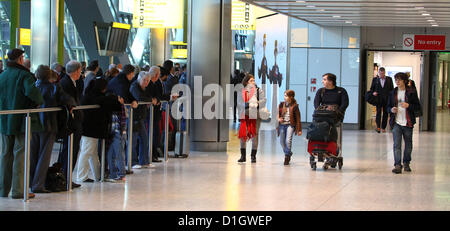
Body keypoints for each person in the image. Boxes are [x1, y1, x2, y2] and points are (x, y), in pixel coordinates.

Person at [0, 48, 44, 199]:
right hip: (21, 122)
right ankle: (18, 190)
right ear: (20, 59)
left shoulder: (3, 75)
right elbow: (34, 94)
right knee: (20, 154)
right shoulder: (24, 75)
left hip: (5, 121)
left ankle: (2, 189)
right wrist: (38, 102)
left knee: (5, 154)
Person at [30, 66, 74, 193]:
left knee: (33, 155)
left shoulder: (33, 86)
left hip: (32, 124)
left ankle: (30, 181)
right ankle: (38, 185)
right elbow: (67, 99)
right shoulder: (54, 87)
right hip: (48, 125)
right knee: (44, 156)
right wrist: (70, 105)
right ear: (49, 76)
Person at [74, 78, 124, 182]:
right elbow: (112, 104)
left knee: (92, 153)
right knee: (87, 152)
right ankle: (82, 176)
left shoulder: (89, 95)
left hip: (89, 129)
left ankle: (98, 175)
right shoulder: (96, 97)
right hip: (91, 130)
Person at [387, 72, 420, 174]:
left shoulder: (411, 92)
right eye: (396, 80)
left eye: (399, 80)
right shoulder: (393, 93)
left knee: (408, 144)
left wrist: (408, 105)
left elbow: (418, 107)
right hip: (396, 122)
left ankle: (406, 163)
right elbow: (387, 107)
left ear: (404, 81)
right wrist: (391, 109)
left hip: (408, 122)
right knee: (396, 144)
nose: (397, 82)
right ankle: (397, 165)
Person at [57, 60, 84, 189]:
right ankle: (66, 178)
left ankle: (67, 177)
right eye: (80, 71)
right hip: (70, 123)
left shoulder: (72, 82)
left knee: (72, 150)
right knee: (70, 150)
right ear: (76, 71)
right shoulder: (66, 83)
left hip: (74, 121)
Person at [129, 71, 157, 168]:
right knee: (133, 141)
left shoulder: (144, 88)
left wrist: (150, 99)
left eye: (148, 81)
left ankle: (144, 161)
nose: (146, 82)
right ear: (139, 79)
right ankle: (132, 162)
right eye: (144, 80)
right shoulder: (134, 87)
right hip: (134, 118)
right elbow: (139, 97)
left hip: (141, 117)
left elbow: (146, 97)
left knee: (144, 139)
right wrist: (150, 100)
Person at [237, 74, 266, 163]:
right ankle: (243, 156)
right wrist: (247, 104)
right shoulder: (242, 91)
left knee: (255, 135)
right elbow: (239, 103)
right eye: (251, 80)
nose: (253, 82)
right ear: (246, 82)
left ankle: (253, 156)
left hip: (256, 115)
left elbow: (264, 100)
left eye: (253, 80)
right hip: (245, 114)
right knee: (243, 135)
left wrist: (256, 102)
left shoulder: (258, 90)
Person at [277, 90, 302, 165]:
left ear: (291, 97)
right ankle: (289, 152)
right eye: (284, 95)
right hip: (282, 125)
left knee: (288, 140)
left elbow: (298, 118)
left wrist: (299, 129)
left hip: (290, 125)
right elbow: (277, 114)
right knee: (282, 142)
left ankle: (287, 156)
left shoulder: (295, 106)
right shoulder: (281, 104)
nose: (284, 97)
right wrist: (278, 119)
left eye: (286, 95)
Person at [370, 67, 394, 133]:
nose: (381, 75)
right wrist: (373, 92)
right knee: (378, 112)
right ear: (378, 73)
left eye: (382, 73)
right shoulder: (375, 79)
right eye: (380, 73)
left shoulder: (389, 79)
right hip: (378, 99)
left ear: (384, 73)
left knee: (386, 113)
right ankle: (378, 127)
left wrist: (391, 97)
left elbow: (392, 89)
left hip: (387, 99)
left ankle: (383, 127)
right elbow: (372, 88)